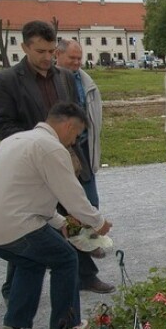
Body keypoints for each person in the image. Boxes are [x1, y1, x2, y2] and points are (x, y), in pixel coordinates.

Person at [0, 103, 112, 329]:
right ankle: (65, 326)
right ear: (68, 125)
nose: (73, 141)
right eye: (76, 135)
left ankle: (15, 326)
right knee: (66, 258)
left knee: (32, 261)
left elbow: (27, 192)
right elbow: (72, 195)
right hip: (13, 224)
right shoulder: (51, 148)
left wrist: (59, 222)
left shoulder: (15, 140)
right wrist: (98, 223)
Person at [0, 20, 70, 303]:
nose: (47, 57)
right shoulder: (6, 80)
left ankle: (80, 276)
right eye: (40, 51)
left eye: (51, 50)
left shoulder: (62, 77)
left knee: (64, 222)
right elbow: (0, 125)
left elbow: (69, 118)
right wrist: (39, 144)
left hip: (60, 162)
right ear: (24, 47)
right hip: (29, 169)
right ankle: (14, 292)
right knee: (27, 234)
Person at [54, 39, 116, 293]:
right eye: (72, 58)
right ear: (59, 55)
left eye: (80, 58)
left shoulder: (84, 79)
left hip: (82, 151)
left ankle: (86, 267)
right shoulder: (51, 81)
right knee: (59, 216)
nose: (77, 63)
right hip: (55, 154)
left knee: (88, 205)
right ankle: (81, 273)